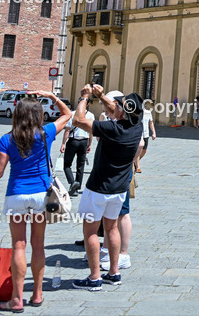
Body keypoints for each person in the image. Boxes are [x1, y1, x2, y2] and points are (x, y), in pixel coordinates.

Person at [0, 91, 73, 312]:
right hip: (40, 195)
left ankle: (16, 299)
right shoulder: (46, 132)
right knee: (38, 244)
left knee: (19, 245)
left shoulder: (6, 139)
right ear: (39, 115)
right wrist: (51, 96)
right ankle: (37, 293)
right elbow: (68, 114)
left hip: (16, 194)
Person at [70, 85, 144, 291]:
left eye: (119, 105)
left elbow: (78, 120)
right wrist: (101, 96)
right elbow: (117, 110)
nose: (115, 106)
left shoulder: (112, 129)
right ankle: (113, 272)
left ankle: (94, 277)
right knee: (112, 228)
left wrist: (84, 98)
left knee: (90, 232)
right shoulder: (136, 126)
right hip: (119, 189)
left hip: (98, 188)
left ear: (121, 111)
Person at [61, 103, 94, 196]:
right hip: (84, 141)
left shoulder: (72, 114)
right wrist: (89, 144)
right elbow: (91, 132)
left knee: (67, 164)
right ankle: (77, 187)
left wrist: (63, 143)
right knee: (80, 166)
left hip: (73, 140)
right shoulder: (90, 115)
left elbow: (67, 130)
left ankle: (72, 183)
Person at [133, 105, 155, 174]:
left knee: (144, 151)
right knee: (139, 149)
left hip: (146, 134)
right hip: (139, 134)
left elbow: (151, 123)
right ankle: (138, 167)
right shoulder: (137, 113)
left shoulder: (148, 113)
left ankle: (134, 161)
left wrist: (154, 133)